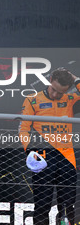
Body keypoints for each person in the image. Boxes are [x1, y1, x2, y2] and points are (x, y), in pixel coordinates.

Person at [19, 68, 80, 225]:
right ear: (50, 80)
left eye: (60, 93)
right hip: (43, 157)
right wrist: (30, 151)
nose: (55, 95)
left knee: (67, 206)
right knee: (42, 205)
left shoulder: (70, 99)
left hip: (67, 158)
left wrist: (76, 79)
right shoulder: (33, 100)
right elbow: (23, 128)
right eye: (54, 89)